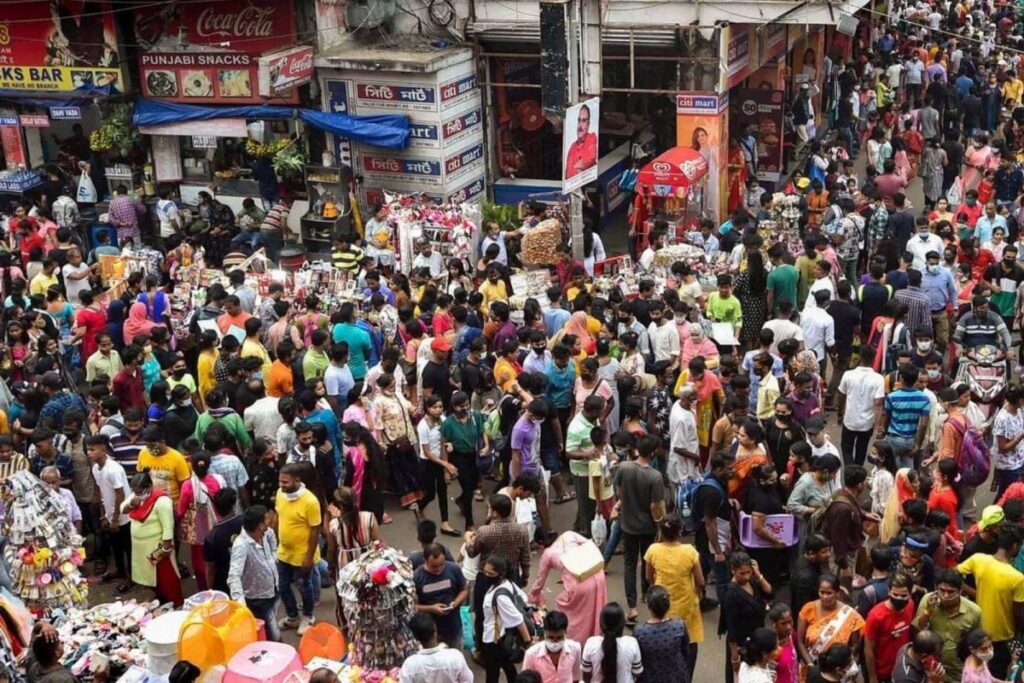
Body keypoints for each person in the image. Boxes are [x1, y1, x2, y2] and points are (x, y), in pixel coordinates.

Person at [956, 527, 1024, 678]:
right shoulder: (1017, 578)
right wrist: (1017, 633)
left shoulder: (978, 559)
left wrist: (974, 593)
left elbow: (954, 575)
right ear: (1015, 546)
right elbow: (1018, 612)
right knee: (997, 673)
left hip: (979, 631)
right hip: (1002, 637)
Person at [529, 531, 607, 646]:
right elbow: (590, 545)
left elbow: (539, 582)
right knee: (594, 608)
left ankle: (574, 642)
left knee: (562, 605)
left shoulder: (548, 553)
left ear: (541, 544)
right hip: (597, 573)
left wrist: (532, 597)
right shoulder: (569, 534)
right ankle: (595, 638)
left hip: (579, 583)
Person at [275, 463, 322, 636]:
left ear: (297, 480)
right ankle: (292, 616)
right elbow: (278, 517)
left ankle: (308, 616)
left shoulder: (310, 501)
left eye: (285, 482)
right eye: (280, 481)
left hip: (302, 555)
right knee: (283, 586)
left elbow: (316, 530)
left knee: (304, 587)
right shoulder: (280, 494)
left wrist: (309, 557)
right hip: (283, 553)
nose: (281, 485)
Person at [124, 471, 182, 607]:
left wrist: (166, 547)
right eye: (135, 492)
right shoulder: (136, 497)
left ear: (149, 487)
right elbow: (123, 509)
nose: (137, 495)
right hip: (141, 547)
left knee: (166, 578)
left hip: (157, 547)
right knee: (152, 579)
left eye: (140, 492)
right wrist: (132, 504)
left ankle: (176, 603)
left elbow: (168, 526)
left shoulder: (162, 501)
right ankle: (161, 600)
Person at [912, 569, 981, 683]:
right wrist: (928, 612)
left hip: (958, 670)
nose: (945, 595)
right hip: (931, 666)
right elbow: (917, 631)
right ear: (936, 588)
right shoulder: (928, 600)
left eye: (951, 592)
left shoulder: (974, 611)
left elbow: (977, 643)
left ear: (960, 591)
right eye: (942, 590)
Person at [227, 505, 281, 642]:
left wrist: (273, 558)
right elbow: (234, 576)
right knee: (273, 635)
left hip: (273, 588)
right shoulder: (241, 546)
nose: (271, 521)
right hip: (258, 599)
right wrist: (241, 605)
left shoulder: (266, 533)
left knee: (272, 621)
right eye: (267, 520)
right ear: (260, 526)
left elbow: (273, 543)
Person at [796, 574, 864, 678]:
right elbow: (800, 641)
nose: (825, 597)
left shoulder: (850, 616)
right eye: (822, 592)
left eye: (829, 593)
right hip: (810, 670)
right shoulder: (808, 609)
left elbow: (854, 646)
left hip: (837, 673)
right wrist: (810, 665)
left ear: (837, 592)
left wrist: (845, 666)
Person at [481, 555, 536, 683]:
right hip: (503, 635)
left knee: (492, 672)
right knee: (507, 664)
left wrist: (528, 643)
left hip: (494, 638)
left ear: (501, 574)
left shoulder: (500, 597)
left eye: (491, 573)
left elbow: (518, 619)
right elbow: (523, 598)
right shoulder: (508, 583)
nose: (487, 575)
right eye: (485, 572)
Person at [722, 552, 773, 683]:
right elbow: (731, 628)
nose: (746, 576)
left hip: (756, 640)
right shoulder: (731, 594)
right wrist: (734, 657)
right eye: (742, 573)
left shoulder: (753, 582)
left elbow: (769, 592)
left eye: (748, 572)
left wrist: (758, 574)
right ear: (733, 571)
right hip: (741, 644)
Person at [414, 542, 469, 650]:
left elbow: (464, 590)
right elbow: (413, 606)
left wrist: (455, 603)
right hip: (429, 632)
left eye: (441, 564)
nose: (438, 569)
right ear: (425, 561)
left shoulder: (454, 569)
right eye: (434, 566)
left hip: (453, 627)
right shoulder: (417, 577)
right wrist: (431, 609)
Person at [634, 586, 694, 683]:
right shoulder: (679, 626)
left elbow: (637, 659)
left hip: (650, 678)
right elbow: (686, 652)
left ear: (649, 606)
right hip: (677, 678)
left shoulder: (640, 632)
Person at [863, 575, 915, 683]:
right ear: (889, 591)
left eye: (903, 595)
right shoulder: (876, 615)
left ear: (910, 594)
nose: (899, 598)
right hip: (882, 672)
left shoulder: (910, 605)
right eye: (895, 594)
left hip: (902, 666)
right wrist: (873, 678)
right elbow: (868, 649)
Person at [401, 612, 475, 683]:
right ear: (435, 630)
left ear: (416, 638)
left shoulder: (410, 665)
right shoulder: (455, 657)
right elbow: (467, 680)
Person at [581, 602, 643, 683]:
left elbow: (586, 674)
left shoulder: (591, 643)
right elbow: (637, 673)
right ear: (623, 624)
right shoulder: (632, 643)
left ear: (601, 624)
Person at [522, 610, 583, 683]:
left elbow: (575, 677)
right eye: (551, 637)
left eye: (559, 637)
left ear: (565, 633)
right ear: (544, 633)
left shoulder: (576, 649)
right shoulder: (531, 655)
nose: (555, 642)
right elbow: (525, 680)